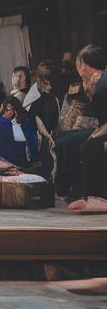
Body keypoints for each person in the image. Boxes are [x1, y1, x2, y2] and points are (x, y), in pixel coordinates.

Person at [57, 45, 107, 207]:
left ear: (85, 65)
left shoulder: (101, 85)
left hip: (97, 127)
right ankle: (68, 189)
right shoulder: (97, 82)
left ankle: (84, 193)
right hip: (97, 126)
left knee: (77, 144)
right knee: (63, 140)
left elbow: (94, 116)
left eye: (80, 64)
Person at [0, 97, 40, 170]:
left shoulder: (26, 121)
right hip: (6, 161)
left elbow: (32, 142)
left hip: (25, 162)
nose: (4, 113)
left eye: (7, 110)